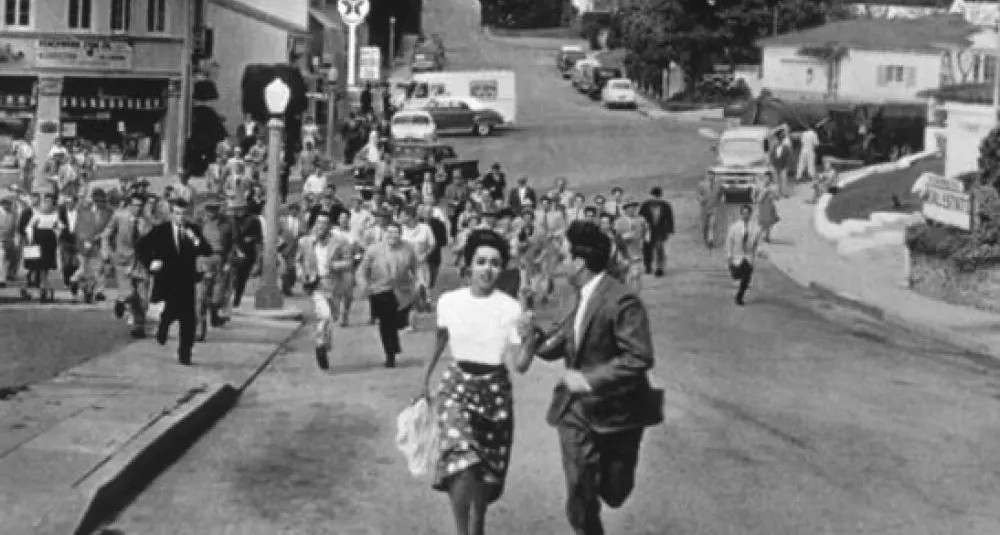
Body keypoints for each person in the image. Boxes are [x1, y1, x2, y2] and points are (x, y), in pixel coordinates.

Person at [531, 220, 662, 535]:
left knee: (615, 492)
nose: (561, 262)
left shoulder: (622, 300)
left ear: (579, 262)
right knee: (579, 487)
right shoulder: (572, 296)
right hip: (575, 410)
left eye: (564, 256)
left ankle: (608, 482)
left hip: (617, 412)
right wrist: (532, 336)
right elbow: (560, 342)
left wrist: (590, 379)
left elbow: (639, 357)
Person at [420, 229, 536, 535]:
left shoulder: (510, 308)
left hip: (495, 393)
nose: (487, 269)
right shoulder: (449, 302)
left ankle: (477, 527)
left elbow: (520, 365)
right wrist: (424, 380)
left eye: (495, 263)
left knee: (484, 474)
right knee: (462, 464)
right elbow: (440, 339)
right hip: (456, 388)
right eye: (481, 261)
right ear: (468, 265)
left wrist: (529, 338)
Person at [139, 198, 212, 365]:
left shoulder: (193, 229)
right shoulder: (161, 230)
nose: (181, 217)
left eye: (184, 214)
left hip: (187, 279)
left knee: (188, 318)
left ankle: (185, 353)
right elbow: (141, 247)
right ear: (171, 214)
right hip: (167, 279)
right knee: (171, 311)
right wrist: (151, 263)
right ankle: (164, 324)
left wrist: (195, 240)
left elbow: (207, 250)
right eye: (177, 213)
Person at [296, 212, 354, 369]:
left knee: (331, 317)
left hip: (334, 285)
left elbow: (349, 262)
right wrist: (301, 273)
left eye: (324, 223)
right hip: (316, 284)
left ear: (330, 226)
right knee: (325, 315)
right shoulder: (306, 242)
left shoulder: (341, 242)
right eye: (318, 222)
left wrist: (336, 265)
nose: (320, 226)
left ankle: (324, 344)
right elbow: (298, 261)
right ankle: (320, 343)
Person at [357, 221, 418, 368]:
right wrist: (364, 285)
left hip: (402, 291)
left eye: (396, 233)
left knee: (398, 323)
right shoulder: (374, 250)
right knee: (386, 322)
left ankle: (392, 346)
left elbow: (416, 268)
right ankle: (390, 354)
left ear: (401, 234)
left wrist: (419, 284)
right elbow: (362, 270)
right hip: (380, 290)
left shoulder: (408, 248)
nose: (393, 236)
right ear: (385, 234)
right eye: (390, 233)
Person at [104, 192, 152, 338]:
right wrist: (106, 250)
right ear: (130, 205)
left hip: (142, 263)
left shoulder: (146, 221)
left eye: (141, 206)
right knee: (129, 293)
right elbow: (107, 234)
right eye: (135, 205)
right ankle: (121, 300)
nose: (138, 209)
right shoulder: (119, 216)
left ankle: (139, 326)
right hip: (123, 260)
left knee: (143, 298)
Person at [194, 196, 234, 341]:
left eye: (215, 209)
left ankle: (215, 313)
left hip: (219, 261)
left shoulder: (227, 224)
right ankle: (199, 330)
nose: (212, 212)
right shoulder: (199, 223)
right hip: (202, 261)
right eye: (209, 209)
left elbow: (231, 245)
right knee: (200, 298)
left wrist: (228, 262)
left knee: (217, 298)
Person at [24, 191, 62, 302]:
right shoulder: (37, 215)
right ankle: (41, 289)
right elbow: (29, 227)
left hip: (50, 241)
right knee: (40, 267)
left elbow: (60, 227)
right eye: (46, 201)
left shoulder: (55, 215)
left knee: (49, 267)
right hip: (40, 240)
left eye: (50, 202)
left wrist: (57, 232)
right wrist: (31, 238)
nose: (47, 204)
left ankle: (48, 289)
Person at [725, 204, 765, 306]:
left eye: (747, 214)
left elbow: (759, 242)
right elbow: (729, 241)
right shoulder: (734, 227)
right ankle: (734, 271)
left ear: (750, 214)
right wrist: (729, 254)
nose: (745, 216)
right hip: (737, 255)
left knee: (746, 277)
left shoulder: (756, 228)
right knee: (736, 275)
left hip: (749, 256)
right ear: (741, 214)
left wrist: (760, 250)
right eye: (743, 214)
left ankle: (740, 296)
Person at [614, 198, 649, 292]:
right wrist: (624, 237)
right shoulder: (619, 221)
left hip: (636, 253)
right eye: (629, 207)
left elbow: (646, 232)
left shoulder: (641, 219)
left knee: (636, 276)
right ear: (625, 209)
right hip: (622, 255)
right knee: (624, 278)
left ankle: (635, 296)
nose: (632, 209)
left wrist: (645, 240)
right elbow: (616, 237)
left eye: (633, 207)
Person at [637, 187, 673, 277]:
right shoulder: (645, 205)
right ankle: (648, 266)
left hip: (660, 231)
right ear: (651, 196)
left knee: (659, 248)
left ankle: (659, 268)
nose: (656, 198)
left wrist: (669, 230)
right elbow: (640, 218)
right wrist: (640, 229)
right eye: (654, 196)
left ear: (661, 196)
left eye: (658, 196)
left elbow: (669, 218)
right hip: (647, 231)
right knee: (647, 249)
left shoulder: (665, 205)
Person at [755, 175, 780, 243]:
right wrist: (765, 192)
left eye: (768, 180)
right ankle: (761, 237)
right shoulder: (760, 188)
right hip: (763, 207)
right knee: (764, 224)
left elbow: (777, 198)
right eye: (765, 179)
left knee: (769, 223)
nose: (767, 181)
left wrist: (773, 195)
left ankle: (766, 237)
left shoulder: (772, 188)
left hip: (770, 207)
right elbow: (758, 200)